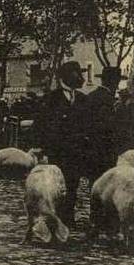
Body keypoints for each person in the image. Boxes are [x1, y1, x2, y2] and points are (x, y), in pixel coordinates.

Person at [36, 61, 89, 227]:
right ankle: (56, 216)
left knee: (73, 184)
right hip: (58, 152)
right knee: (57, 185)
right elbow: (41, 125)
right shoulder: (51, 99)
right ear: (65, 76)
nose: (81, 78)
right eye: (77, 74)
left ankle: (69, 216)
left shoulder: (82, 99)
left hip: (77, 151)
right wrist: (42, 149)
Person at [81, 66, 125, 184]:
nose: (117, 84)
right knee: (106, 185)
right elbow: (107, 126)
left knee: (95, 185)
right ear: (113, 81)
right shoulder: (107, 99)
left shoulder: (91, 96)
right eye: (117, 81)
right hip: (105, 151)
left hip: (92, 150)